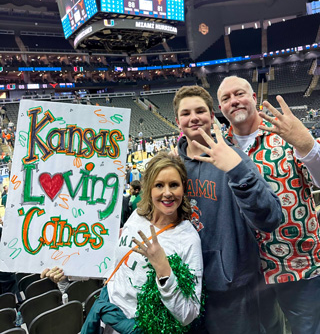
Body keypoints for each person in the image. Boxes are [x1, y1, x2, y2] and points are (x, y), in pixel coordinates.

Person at [45, 153, 203, 334]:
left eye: (174, 185)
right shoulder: (137, 216)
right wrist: (67, 272)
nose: (167, 192)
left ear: (183, 188)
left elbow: (188, 314)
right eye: (159, 185)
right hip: (107, 320)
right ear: (149, 189)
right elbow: (113, 265)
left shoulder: (188, 239)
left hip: (141, 329)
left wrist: (163, 269)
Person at [173, 85, 282, 334]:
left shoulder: (236, 158)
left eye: (200, 110)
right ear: (178, 121)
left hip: (232, 287)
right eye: (186, 113)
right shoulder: (173, 166)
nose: (194, 117)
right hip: (186, 288)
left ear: (212, 116)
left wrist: (237, 171)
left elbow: (271, 217)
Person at [217, 76, 320, 334]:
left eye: (239, 94)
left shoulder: (286, 133)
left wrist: (307, 145)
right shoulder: (219, 148)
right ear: (221, 109)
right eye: (226, 98)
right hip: (247, 272)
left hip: (298, 264)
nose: (234, 101)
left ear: (253, 98)